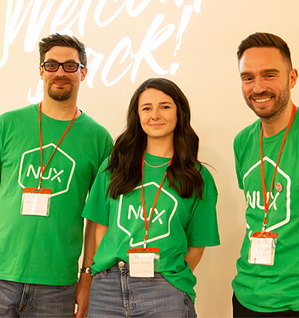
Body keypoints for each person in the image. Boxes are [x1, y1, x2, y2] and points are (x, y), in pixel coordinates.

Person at [0, 33, 112, 318]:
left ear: (84, 72)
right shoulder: (7, 125)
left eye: (70, 66)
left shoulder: (99, 139)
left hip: (57, 286)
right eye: (52, 64)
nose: (60, 72)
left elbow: (97, 220)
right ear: (41, 70)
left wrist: (88, 277)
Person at [83, 78, 219, 317]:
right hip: (108, 288)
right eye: (146, 108)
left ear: (180, 112)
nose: (155, 114)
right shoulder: (115, 166)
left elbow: (197, 245)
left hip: (165, 290)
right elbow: (100, 228)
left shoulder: (197, 176)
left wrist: (167, 276)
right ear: (137, 116)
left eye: (165, 106)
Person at [230, 32, 299, 317]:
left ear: (292, 78)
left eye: (269, 75)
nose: (258, 87)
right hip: (246, 297)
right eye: (248, 77)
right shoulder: (242, 142)